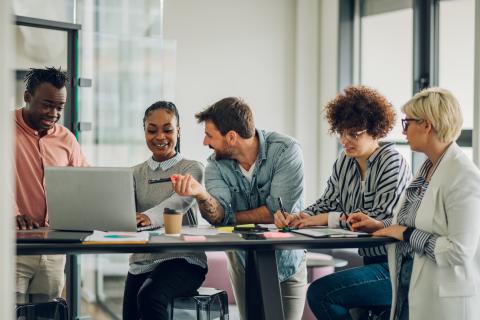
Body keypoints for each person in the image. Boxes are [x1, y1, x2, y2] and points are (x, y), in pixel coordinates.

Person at [275, 86, 411, 319]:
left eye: (354, 134)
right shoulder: (345, 161)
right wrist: (298, 217)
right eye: (341, 133)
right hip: (372, 262)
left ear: (375, 131)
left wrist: (326, 219)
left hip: (398, 267)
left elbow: (374, 219)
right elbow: (327, 202)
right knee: (322, 293)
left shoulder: (392, 162)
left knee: (320, 293)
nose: (345, 141)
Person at [348, 87, 480, 320]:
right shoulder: (427, 168)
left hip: (443, 301)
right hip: (409, 290)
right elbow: (413, 221)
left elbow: (460, 251)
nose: (404, 130)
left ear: (427, 125)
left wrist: (407, 234)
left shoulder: (463, 175)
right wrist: (379, 225)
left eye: (407, 123)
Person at [172, 97, 307, 320]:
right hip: (243, 263)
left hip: (288, 261)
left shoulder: (286, 151)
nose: (206, 142)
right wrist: (202, 195)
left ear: (232, 137)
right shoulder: (215, 164)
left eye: (210, 135)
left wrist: (231, 217)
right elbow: (218, 216)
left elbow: (277, 211)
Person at [122, 101, 207, 320]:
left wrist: (146, 217)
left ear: (178, 131)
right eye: (152, 130)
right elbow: (121, 212)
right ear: (144, 132)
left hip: (183, 260)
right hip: (142, 262)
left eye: (168, 130)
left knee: (150, 297)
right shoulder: (133, 173)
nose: (160, 137)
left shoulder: (192, 168)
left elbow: (178, 203)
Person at [15, 67, 89, 303]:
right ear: (27, 97)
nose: (54, 113)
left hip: (54, 249)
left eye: (60, 107)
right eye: (47, 104)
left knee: (47, 313)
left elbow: (87, 181)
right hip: (13, 247)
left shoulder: (66, 137)